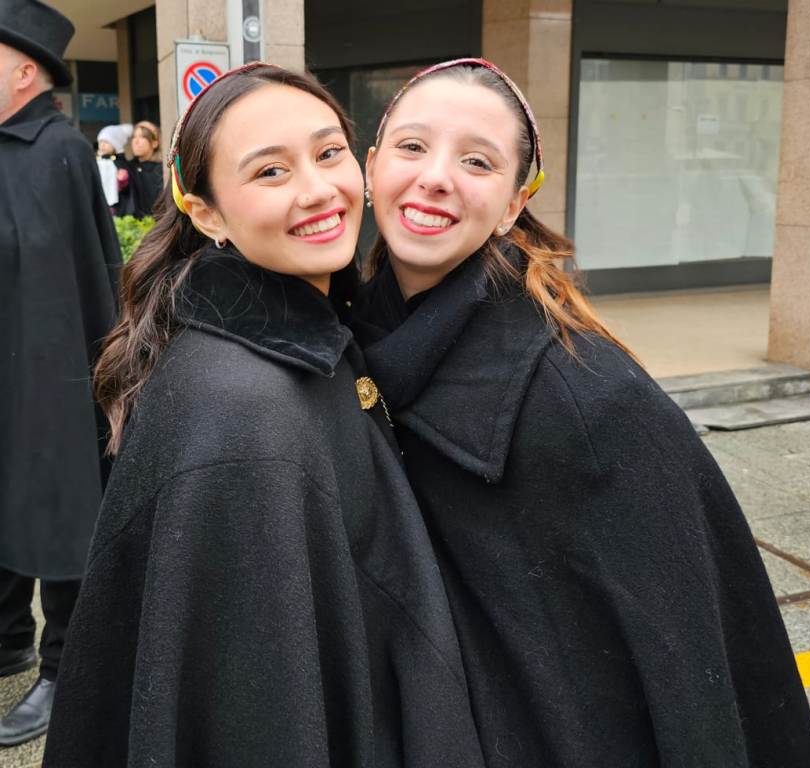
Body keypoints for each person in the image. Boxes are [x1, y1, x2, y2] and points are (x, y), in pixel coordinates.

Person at [354, 58, 810, 767]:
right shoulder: (346, 342)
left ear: (514, 203)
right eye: (412, 146)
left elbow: (696, 670)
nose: (436, 177)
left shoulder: (592, 398)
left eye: (477, 161)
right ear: (372, 167)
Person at [42, 63, 484, 767]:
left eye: (329, 152)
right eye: (270, 172)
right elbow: (257, 719)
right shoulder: (244, 411)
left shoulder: (308, 333)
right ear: (206, 213)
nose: (318, 190)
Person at [0, 0, 122, 748]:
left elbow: (85, 275)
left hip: (53, 370)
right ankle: (9, 640)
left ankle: (64, 667)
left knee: (60, 502)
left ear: (23, 71)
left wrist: (97, 380)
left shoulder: (61, 151)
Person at [121, 119, 163, 217]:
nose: (136, 141)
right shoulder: (127, 168)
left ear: (154, 143)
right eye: (134, 137)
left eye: (142, 137)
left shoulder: (163, 170)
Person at [96, 122, 132, 212]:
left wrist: (123, 181)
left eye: (106, 142)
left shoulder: (120, 162)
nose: (102, 145)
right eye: (100, 141)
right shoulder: (96, 160)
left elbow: (128, 188)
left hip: (116, 203)